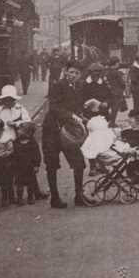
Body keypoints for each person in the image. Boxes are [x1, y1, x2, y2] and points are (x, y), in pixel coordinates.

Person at [42, 63, 82, 208]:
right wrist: (70, 115)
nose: (73, 75)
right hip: (52, 130)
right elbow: (53, 107)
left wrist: (84, 115)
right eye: (70, 72)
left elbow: (77, 107)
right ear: (65, 72)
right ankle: (55, 198)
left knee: (79, 163)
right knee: (52, 165)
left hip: (68, 132)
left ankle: (79, 195)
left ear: (80, 75)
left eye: (76, 73)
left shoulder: (78, 87)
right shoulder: (58, 85)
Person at [12, 120, 43, 205]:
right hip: (19, 167)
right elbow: (13, 154)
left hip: (29, 167)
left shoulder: (32, 143)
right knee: (19, 184)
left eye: (21, 130)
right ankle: (20, 198)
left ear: (28, 133)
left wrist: (36, 165)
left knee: (30, 184)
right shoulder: (16, 142)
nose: (18, 131)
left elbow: (37, 155)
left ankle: (30, 197)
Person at [103, 58, 128, 126]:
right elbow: (122, 83)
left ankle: (108, 121)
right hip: (117, 92)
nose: (119, 64)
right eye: (118, 63)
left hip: (109, 92)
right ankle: (112, 123)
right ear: (116, 63)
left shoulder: (107, 72)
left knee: (109, 107)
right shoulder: (117, 73)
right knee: (115, 109)